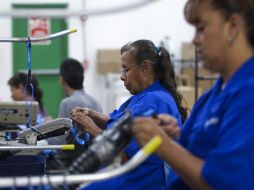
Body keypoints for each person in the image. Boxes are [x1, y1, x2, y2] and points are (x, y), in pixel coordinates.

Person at [132, 0, 254, 189]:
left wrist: (164, 146)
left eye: (201, 28)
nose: (194, 40)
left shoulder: (248, 94)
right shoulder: (212, 95)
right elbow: (206, 148)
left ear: (233, 26)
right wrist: (176, 137)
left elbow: (225, 183)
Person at [71, 39, 187, 189]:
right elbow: (114, 122)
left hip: (140, 183)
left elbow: (124, 155)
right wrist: (92, 114)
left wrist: (91, 129)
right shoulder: (143, 97)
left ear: (145, 67)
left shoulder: (152, 102)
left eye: (126, 69)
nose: (122, 76)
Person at [46, 58, 102, 170]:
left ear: (62, 80)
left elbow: (59, 143)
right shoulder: (95, 101)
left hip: (71, 165)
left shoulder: (67, 103)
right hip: (93, 163)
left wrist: (47, 129)